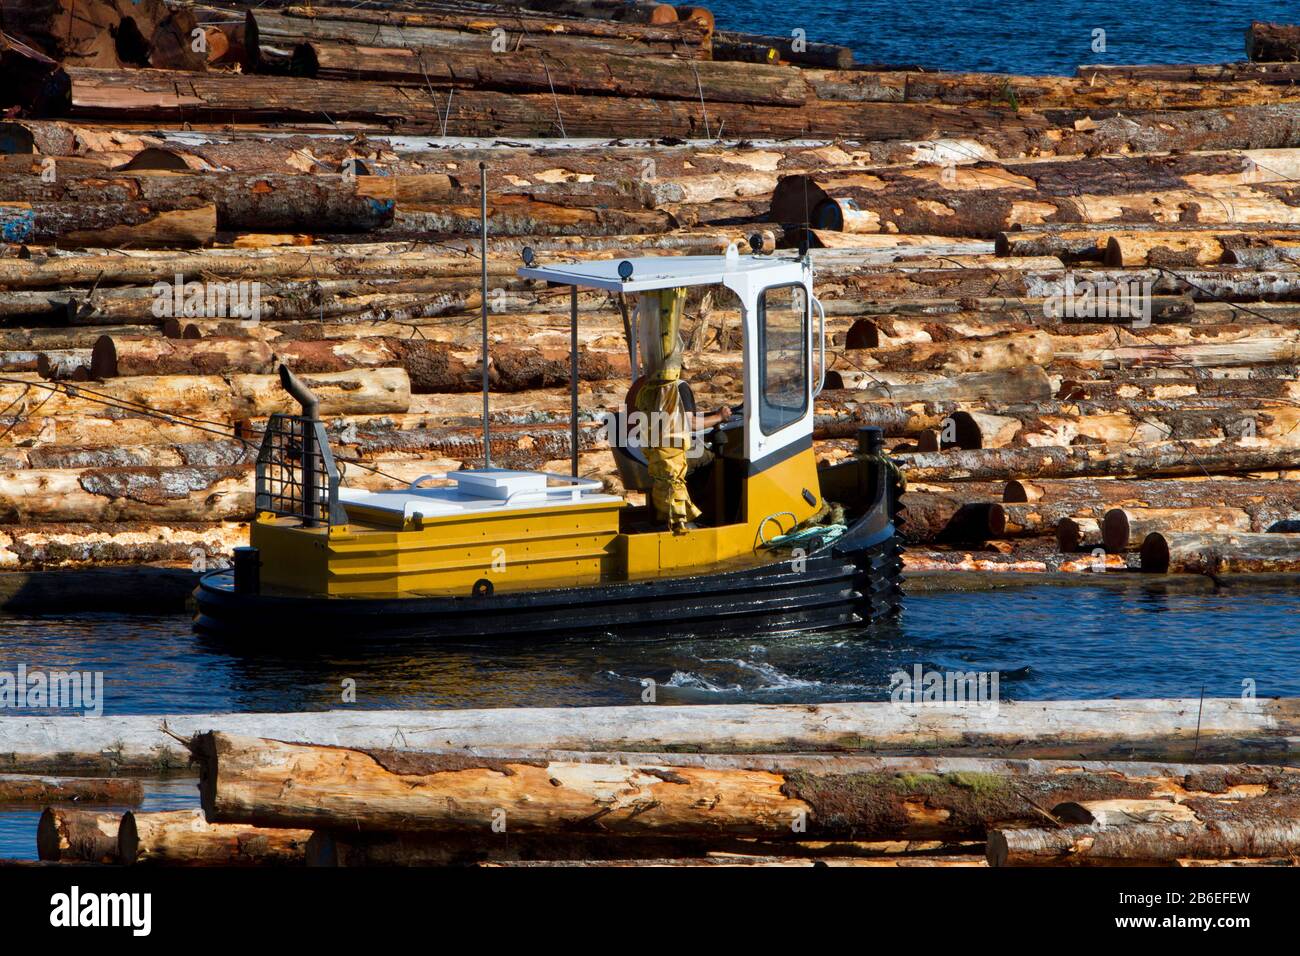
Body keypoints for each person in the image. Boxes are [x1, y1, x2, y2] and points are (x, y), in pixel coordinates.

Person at [634, 287, 731, 533]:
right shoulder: (677, 388)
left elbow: (674, 420)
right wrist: (719, 417)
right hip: (669, 457)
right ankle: (712, 513)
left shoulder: (647, 387)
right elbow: (689, 425)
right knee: (712, 459)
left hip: (653, 454)